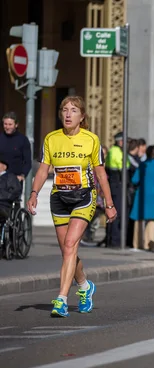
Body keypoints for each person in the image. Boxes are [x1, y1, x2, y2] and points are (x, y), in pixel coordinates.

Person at [26, 96, 117, 317]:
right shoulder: (51, 139)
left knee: (69, 244)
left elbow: (101, 174)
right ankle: (85, 286)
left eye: (73, 110)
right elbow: (42, 170)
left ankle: (61, 299)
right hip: (59, 198)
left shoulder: (91, 140)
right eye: (64, 110)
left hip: (84, 197)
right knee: (67, 251)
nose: (68, 114)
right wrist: (34, 193)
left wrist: (109, 203)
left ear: (82, 116)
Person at [129, 145, 154, 250]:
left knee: (138, 219)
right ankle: (149, 243)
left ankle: (137, 243)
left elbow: (135, 179)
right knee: (151, 220)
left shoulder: (143, 165)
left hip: (142, 192)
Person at [105, 132, 128, 247]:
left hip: (114, 185)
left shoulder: (113, 151)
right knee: (116, 214)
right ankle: (115, 241)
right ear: (120, 141)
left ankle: (110, 240)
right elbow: (123, 167)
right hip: (117, 184)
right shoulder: (117, 152)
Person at [0, 112, 31, 184]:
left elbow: (27, 161)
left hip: (15, 180)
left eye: (10, 124)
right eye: (5, 124)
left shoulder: (23, 140)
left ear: (16, 125)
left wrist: (22, 175)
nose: (7, 127)